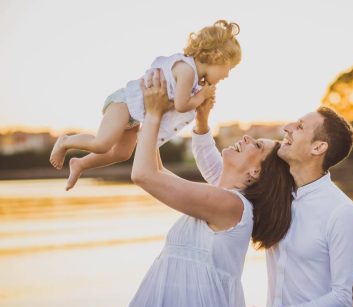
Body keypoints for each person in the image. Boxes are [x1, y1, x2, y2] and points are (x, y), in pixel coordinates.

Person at [124, 69, 295, 307]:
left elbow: (143, 175)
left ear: (255, 173)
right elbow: (157, 172)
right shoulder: (223, 199)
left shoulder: (232, 206)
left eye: (257, 146)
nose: (247, 138)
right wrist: (171, 116)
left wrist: (154, 113)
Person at [194, 106, 353, 307]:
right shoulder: (276, 196)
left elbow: (344, 300)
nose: (287, 127)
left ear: (318, 147)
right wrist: (202, 120)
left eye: (300, 126)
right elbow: (222, 176)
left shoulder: (341, 211)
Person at [49, 20, 241, 191]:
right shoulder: (187, 70)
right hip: (124, 103)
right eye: (228, 69)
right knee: (102, 144)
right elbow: (182, 105)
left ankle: (80, 164)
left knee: (122, 153)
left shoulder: (193, 77)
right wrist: (202, 95)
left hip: (135, 117)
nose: (227, 75)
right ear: (217, 58)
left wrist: (201, 98)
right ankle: (65, 141)